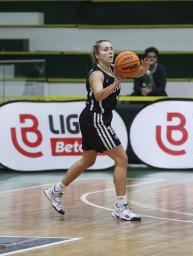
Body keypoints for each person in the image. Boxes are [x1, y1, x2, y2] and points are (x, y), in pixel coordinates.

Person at [44, 40, 151, 221]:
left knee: (88, 160)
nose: (110, 52)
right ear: (97, 55)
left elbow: (135, 73)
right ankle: (120, 206)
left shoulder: (116, 68)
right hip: (95, 119)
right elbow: (99, 95)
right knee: (121, 158)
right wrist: (115, 84)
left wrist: (144, 67)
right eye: (105, 49)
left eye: (111, 48)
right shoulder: (96, 74)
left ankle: (55, 191)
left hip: (95, 119)